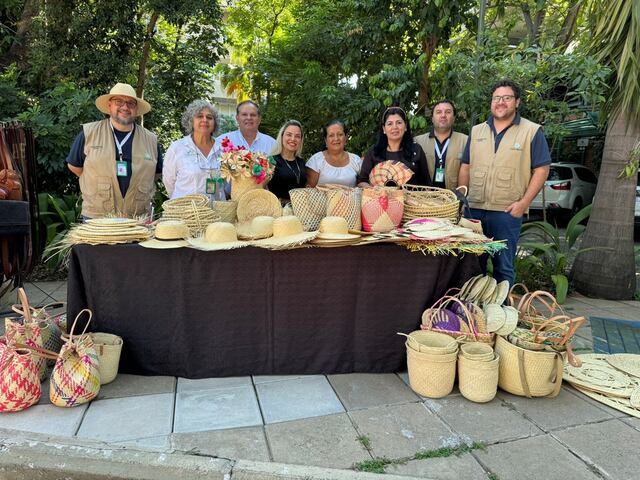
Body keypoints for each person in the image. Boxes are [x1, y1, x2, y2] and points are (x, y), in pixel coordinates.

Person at [458, 79, 551, 286]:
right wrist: (462, 199)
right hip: (474, 211)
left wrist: (523, 204)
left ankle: (503, 315)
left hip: (507, 212)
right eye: (496, 98)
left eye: (507, 98)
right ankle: (475, 313)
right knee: (472, 266)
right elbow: (465, 166)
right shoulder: (476, 131)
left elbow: (542, 169)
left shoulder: (531, 131)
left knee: (503, 267)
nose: (501, 102)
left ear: (516, 102)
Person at [67, 82, 162, 219]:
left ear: (136, 109)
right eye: (119, 101)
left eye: (131, 103)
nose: (125, 107)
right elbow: (74, 166)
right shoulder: (89, 133)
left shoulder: (151, 140)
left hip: (137, 220)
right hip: (97, 218)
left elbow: (156, 173)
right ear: (109, 105)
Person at [163, 100, 222, 200]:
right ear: (191, 121)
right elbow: (169, 182)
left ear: (214, 123)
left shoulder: (223, 149)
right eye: (199, 116)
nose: (205, 120)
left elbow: (228, 185)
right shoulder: (177, 148)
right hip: (185, 213)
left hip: (216, 213)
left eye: (209, 117)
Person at [357, 107, 430, 186]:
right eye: (390, 124)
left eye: (399, 122)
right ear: (384, 129)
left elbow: (425, 181)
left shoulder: (416, 149)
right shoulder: (374, 151)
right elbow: (362, 181)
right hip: (380, 197)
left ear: (405, 126)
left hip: (413, 198)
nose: (394, 127)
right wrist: (373, 191)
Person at [414, 100, 468, 189]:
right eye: (438, 112)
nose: (443, 115)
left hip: (453, 198)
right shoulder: (418, 141)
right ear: (432, 118)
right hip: (424, 198)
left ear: (454, 117)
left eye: (448, 112)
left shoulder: (465, 141)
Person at [306, 120, 362, 187]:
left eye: (340, 134)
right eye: (331, 135)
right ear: (326, 140)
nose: (336, 138)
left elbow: (364, 185)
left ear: (346, 138)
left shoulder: (356, 160)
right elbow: (308, 191)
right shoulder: (315, 161)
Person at [268, 120, 307, 201]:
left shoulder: (301, 162)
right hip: (278, 210)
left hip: (300, 210)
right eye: (289, 135)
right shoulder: (271, 161)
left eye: (297, 136)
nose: (293, 139)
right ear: (282, 136)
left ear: (301, 140)